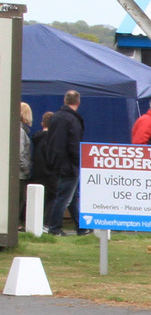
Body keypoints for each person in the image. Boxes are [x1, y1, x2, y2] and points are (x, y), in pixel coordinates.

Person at [45, 90, 85, 235]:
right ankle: (54, 227)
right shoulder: (72, 120)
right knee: (63, 198)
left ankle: (81, 226)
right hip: (69, 164)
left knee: (71, 196)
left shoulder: (55, 117)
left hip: (56, 162)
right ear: (78, 102)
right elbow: (73, 144)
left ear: (64, 100)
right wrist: (78, 161)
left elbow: (51, 140)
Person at [13, 103, 27, 236]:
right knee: (19, 198)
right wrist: (26, 168)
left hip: (18, 171)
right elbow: (20, 153)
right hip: (20, 172)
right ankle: (15, 223)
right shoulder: (20, 131)